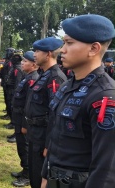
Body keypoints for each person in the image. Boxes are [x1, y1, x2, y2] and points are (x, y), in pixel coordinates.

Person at [41, 14, 115, 188]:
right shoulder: (67, 87)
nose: (62, 50)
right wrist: (45, 177)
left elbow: (107, 166)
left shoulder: (105, 95)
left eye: (69, 43)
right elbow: (56, 137)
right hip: (55, 181)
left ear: (94, 49)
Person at [24, 37, 67, 188]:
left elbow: (55, 114)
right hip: (35, 133)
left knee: (40, 177)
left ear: (48, 54)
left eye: (37, 51)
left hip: (43, 137)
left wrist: (49, 145)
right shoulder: (44, 74)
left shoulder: (55, 77)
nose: (34, 54)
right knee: (34, 174)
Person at [10, 51, 39, 187]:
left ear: (33, 65)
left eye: (25, 61)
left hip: (23, 119)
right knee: (21, 146)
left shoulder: (33, 79)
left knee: (25, 147)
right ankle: (24, 169)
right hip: (18, 117)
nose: (22, 63)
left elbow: (29, 105)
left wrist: (24, 124)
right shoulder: (27, 77)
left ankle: (28, 174)